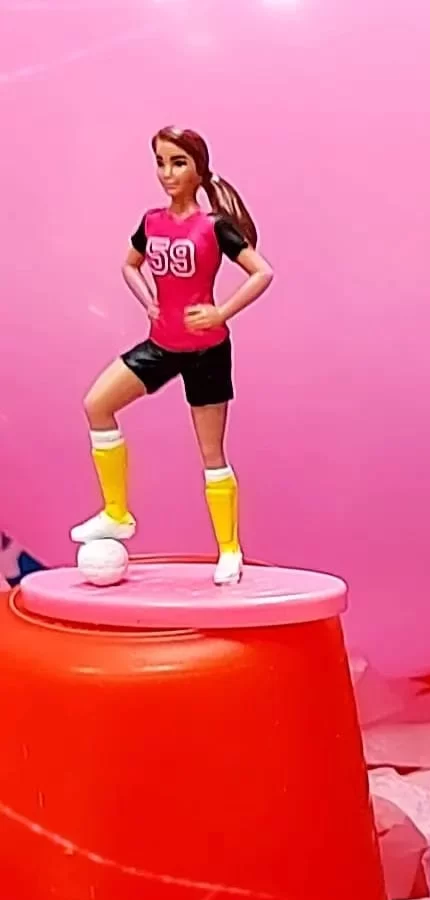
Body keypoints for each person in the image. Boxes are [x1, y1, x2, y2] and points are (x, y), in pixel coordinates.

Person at [70, 127, 274, 585]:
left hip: (206, 350)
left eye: (178, 163)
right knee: (97, 404)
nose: (167, 173)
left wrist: (221, 311)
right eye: (160, 163)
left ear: (199, 169)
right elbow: (129, 264)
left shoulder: (214, 227)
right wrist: (148, 300)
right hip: (162, 344)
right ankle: (116, 512)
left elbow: (262, 272)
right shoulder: (151, 222)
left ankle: (229, 549)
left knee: (211, 454)